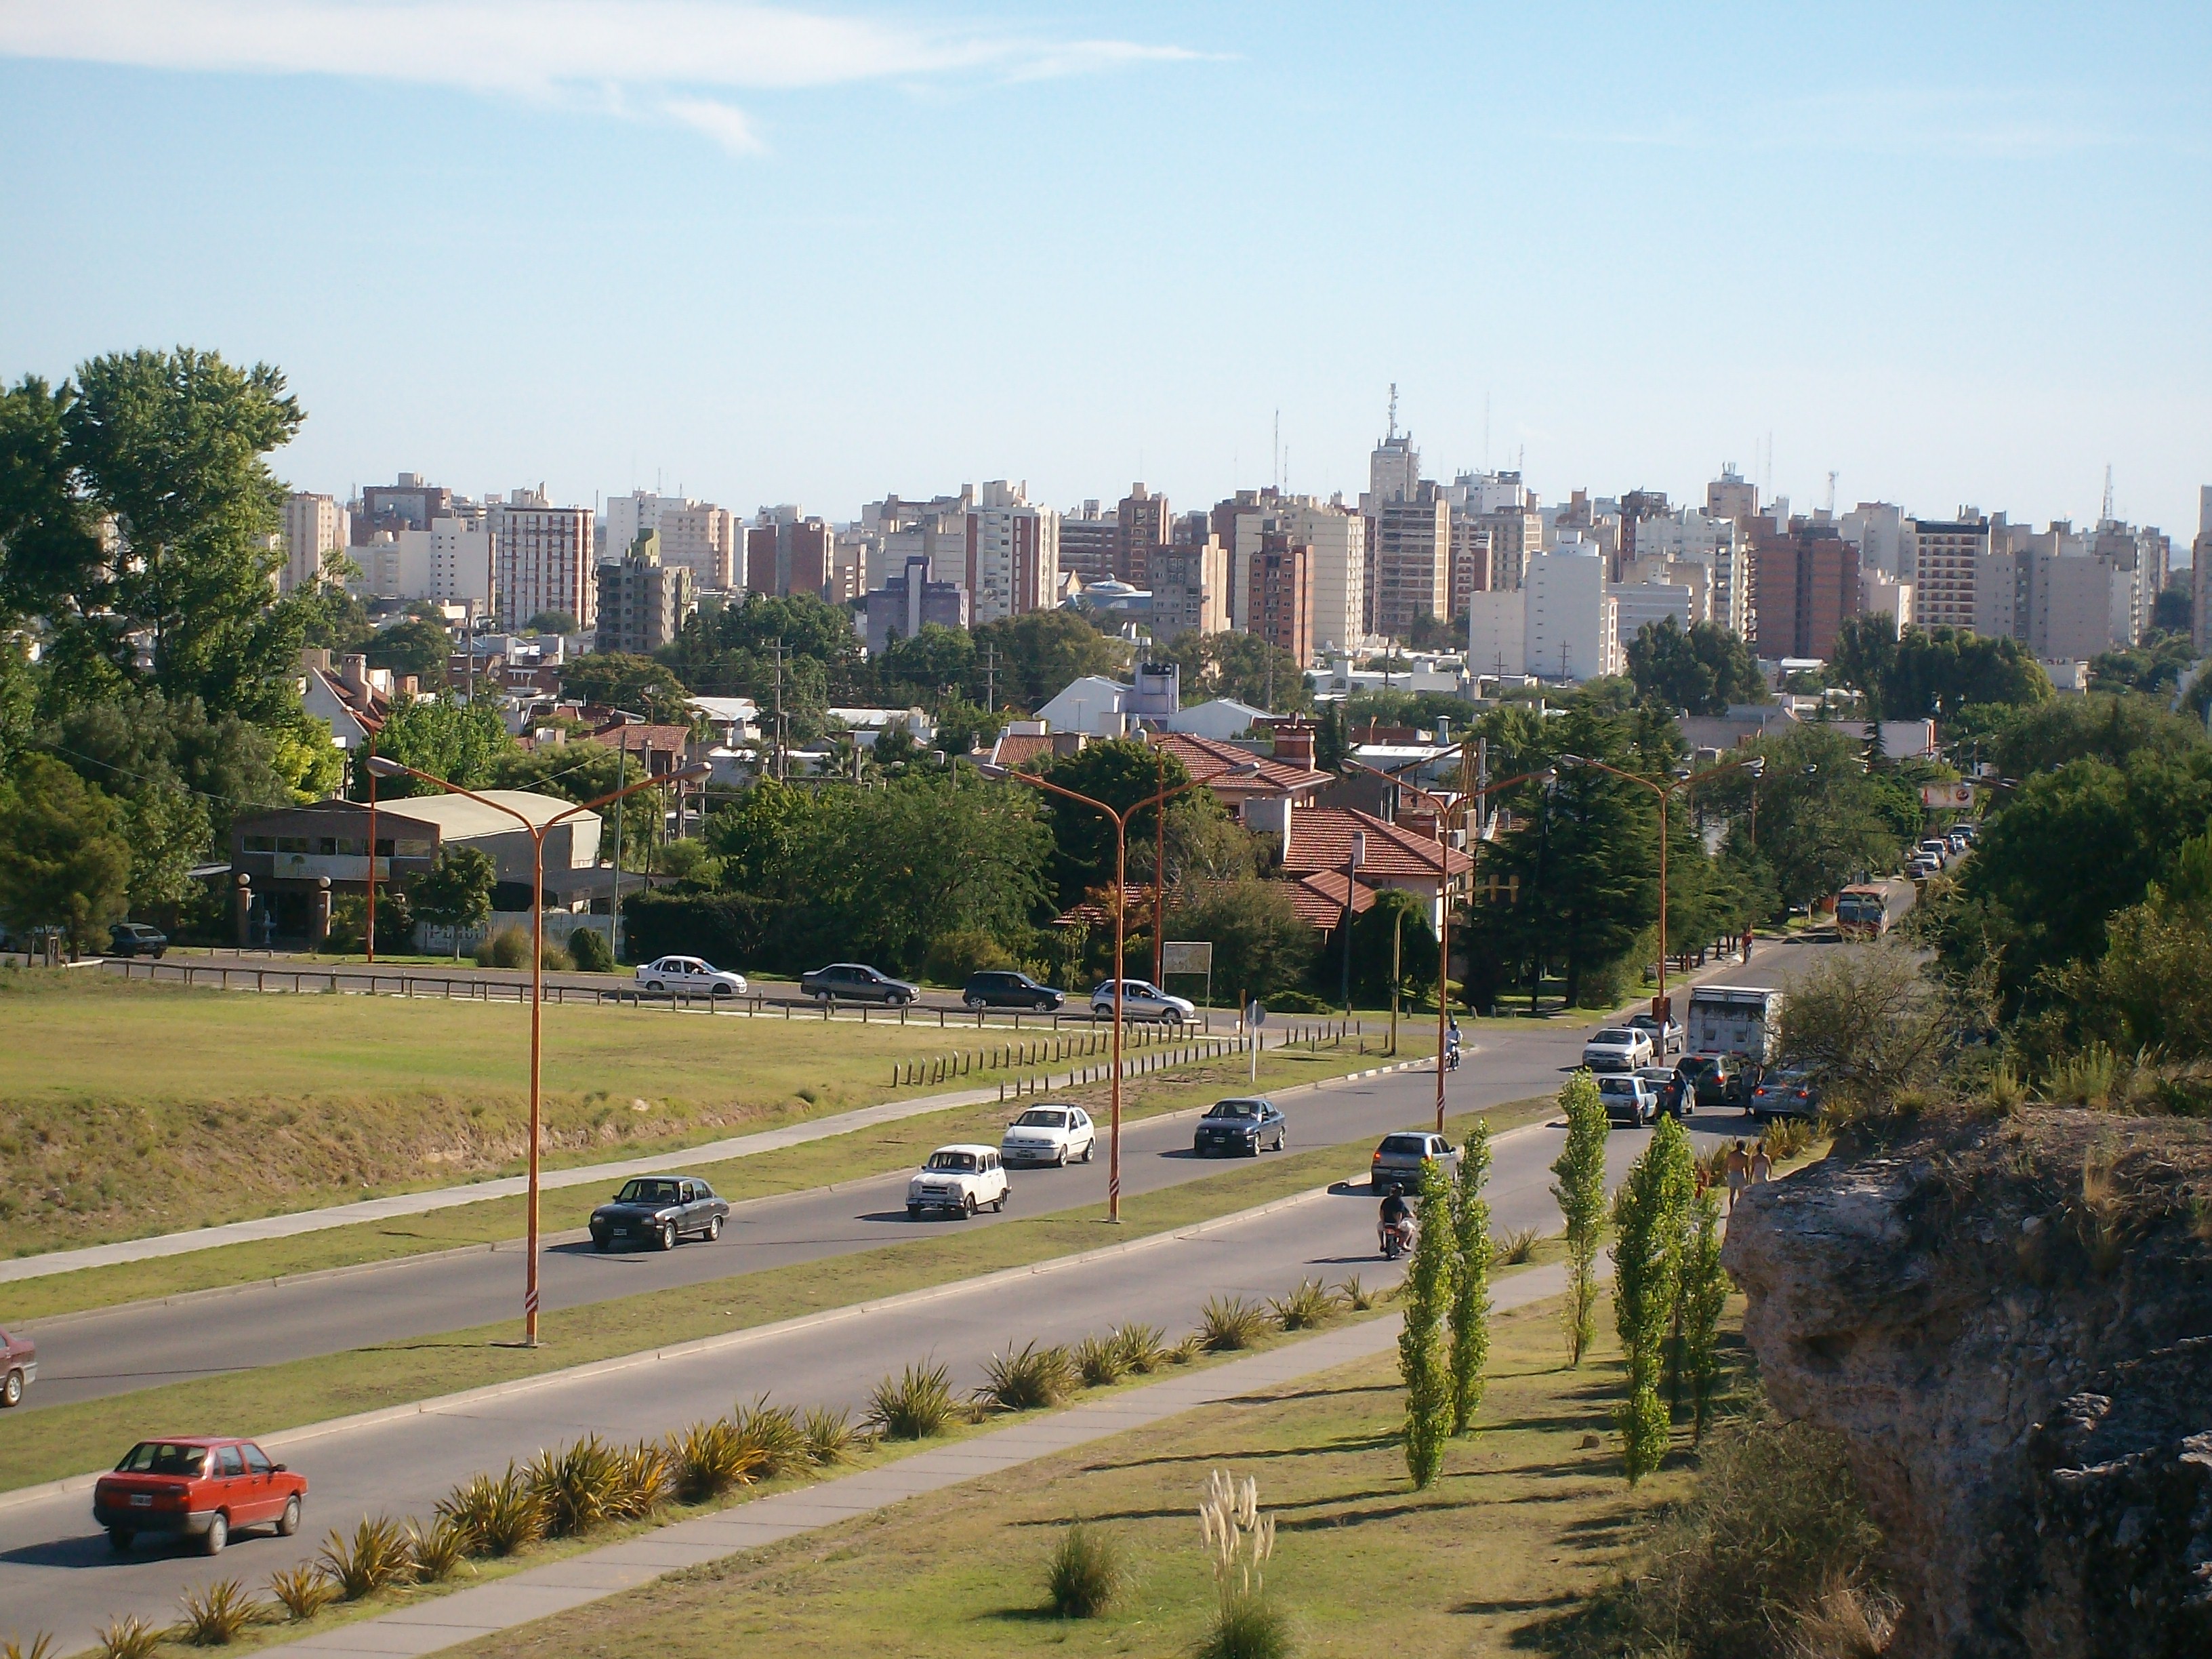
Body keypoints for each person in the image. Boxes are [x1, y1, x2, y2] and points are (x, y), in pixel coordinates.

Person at [1724, 1140, 1751, 1214]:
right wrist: (1748, 1178)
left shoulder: (1731, 1154)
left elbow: (1726, 1165)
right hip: (1740, 1173)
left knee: (1732, 1194)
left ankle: (1731, 1209)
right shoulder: (1745, 1156)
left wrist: (1727, 1174)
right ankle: (1739, 1209)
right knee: (1741, 1194)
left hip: (1732, 1173)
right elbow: (1747, 1167)